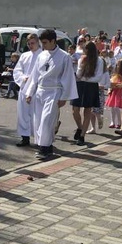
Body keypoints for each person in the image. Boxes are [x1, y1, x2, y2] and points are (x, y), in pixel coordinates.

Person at [25, 29, 78, 160]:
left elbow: (68, 77)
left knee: (46, 120)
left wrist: (64, 97)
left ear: (53, 41)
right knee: (38, 121)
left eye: (45, 42)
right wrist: (30, 92)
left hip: (54, 91)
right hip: (40, 91)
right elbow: (35, 76)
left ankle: (45, 148)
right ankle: (45, 146)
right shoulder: (42, 55)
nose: (43, 46)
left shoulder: (64, 56)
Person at [71, 42, 105, 146]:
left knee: (87, 111)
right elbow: (78, 74)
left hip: (90, 87)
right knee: (74, 110)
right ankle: (80, 128)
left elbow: (98, 77)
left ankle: (82, 136)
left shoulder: (99, 61)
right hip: (80, 85)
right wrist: (81, 67)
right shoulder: (82, 59)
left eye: (85, 50)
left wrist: (84, 78)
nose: (84, 52)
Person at [13, 33, 41, 147]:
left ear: (37, 42)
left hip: (37, 89)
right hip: (25, 87)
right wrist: (23, 78)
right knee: (23, 114)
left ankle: (40, 139)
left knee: (37, 114)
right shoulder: (24, 55)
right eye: (28, 44)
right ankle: (25, 138)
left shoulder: (43, 55)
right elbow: (17, 70)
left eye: (32, 43)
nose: (30, 45)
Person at [106, 58, 122, 129]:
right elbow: (111, 82)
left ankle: (119, 122)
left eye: (119, 65)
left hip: (120, 91)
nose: (117, 66)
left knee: (116, 107)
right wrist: (110, 87)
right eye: (117, 65)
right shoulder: (115, 74)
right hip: (113, 91)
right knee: (112, 107)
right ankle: (112, 121)